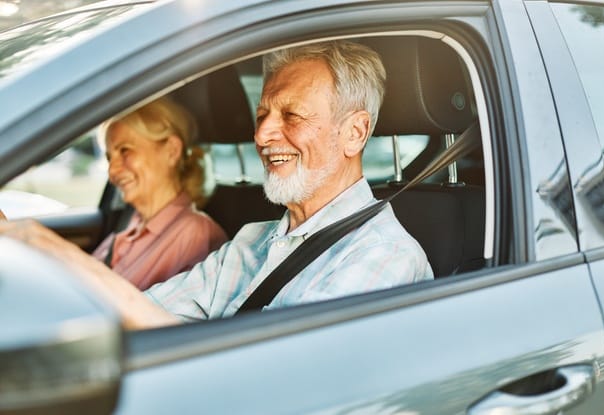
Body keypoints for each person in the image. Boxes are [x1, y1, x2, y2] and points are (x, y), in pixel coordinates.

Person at [0, 40, 433, 329]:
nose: (262, 135)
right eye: (262, 115)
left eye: (291, 115)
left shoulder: (384, 258)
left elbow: (272, 382)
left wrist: (45, 246)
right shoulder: (253, 241)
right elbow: (146, 312)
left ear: (355, 133)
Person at [92, 96, 228, 289]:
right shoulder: (132, 225)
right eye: (109, 157)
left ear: (172, 150)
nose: (112, 171)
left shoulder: (196, 234)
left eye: (125, 151)